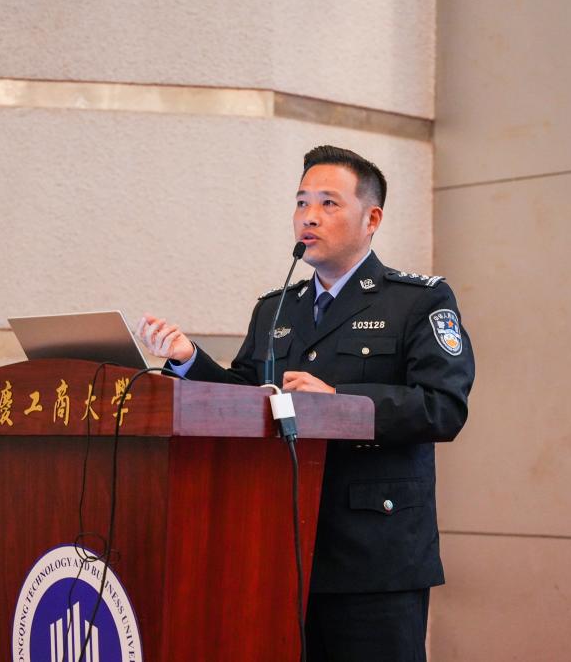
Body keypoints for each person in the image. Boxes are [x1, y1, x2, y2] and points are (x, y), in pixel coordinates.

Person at [137, 145, 474, 662]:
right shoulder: (276, 309)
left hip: (373, 555)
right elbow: (244, 398)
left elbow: (442, 406)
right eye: (301, 202)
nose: (308, 216)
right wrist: (188, 359)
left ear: (372, 219)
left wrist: (339, 402)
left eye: (328, 203)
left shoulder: (418, 301)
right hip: (276, 547)